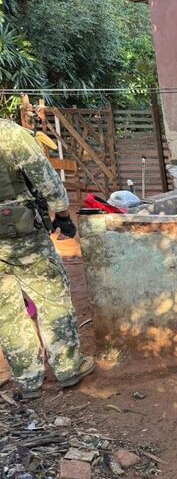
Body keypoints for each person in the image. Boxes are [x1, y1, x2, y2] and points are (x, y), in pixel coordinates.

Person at [0, 117, 94, 399]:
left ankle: (27, 378)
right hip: (22, 234)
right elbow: (46, 180)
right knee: (52, 297)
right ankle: (68, 367)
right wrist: (63, 216)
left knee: (7, 311)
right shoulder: (10, 134)